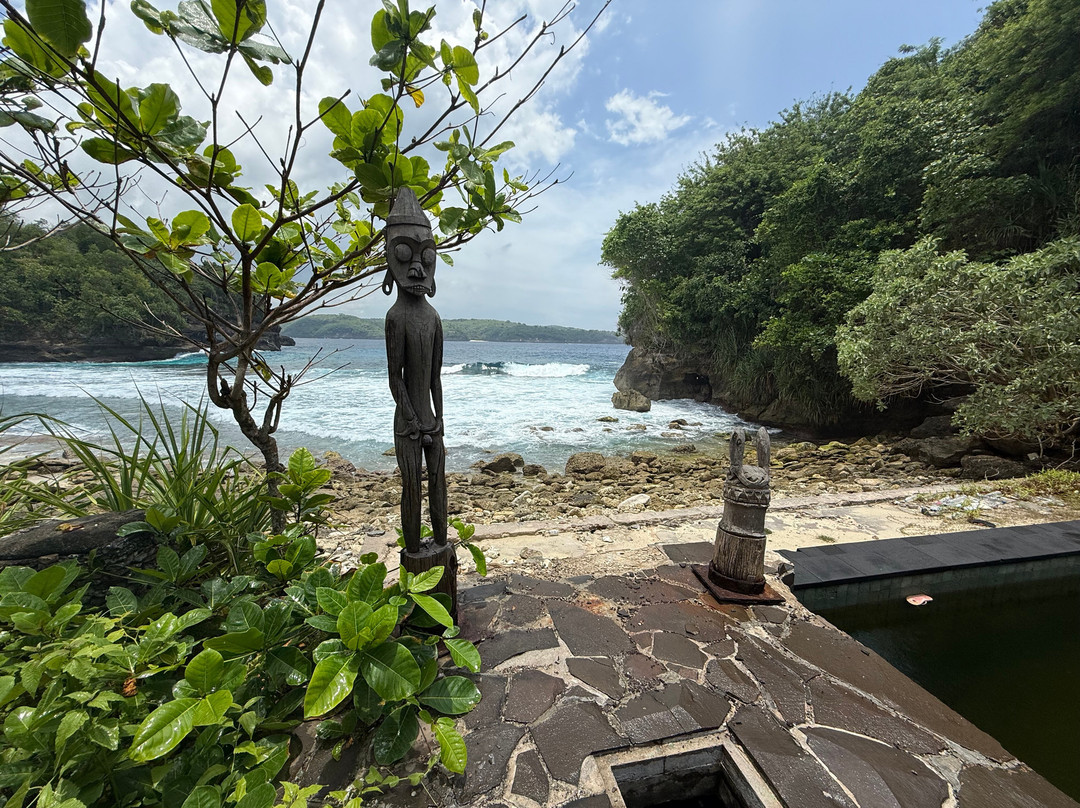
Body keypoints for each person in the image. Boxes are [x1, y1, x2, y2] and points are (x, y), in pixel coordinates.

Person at [383, 187, 447, 554]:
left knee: (438, 482)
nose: (417, 267)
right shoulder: (396, 318)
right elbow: (395, 377)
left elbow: (435, 376)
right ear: (390, 259)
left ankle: (440, 541)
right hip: (406, 421)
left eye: (426, 256)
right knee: (412, 486)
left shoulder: (433, 318)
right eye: (405, 254)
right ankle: (412, 549)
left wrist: (439, 418)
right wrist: (411, 419)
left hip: (431, 420)